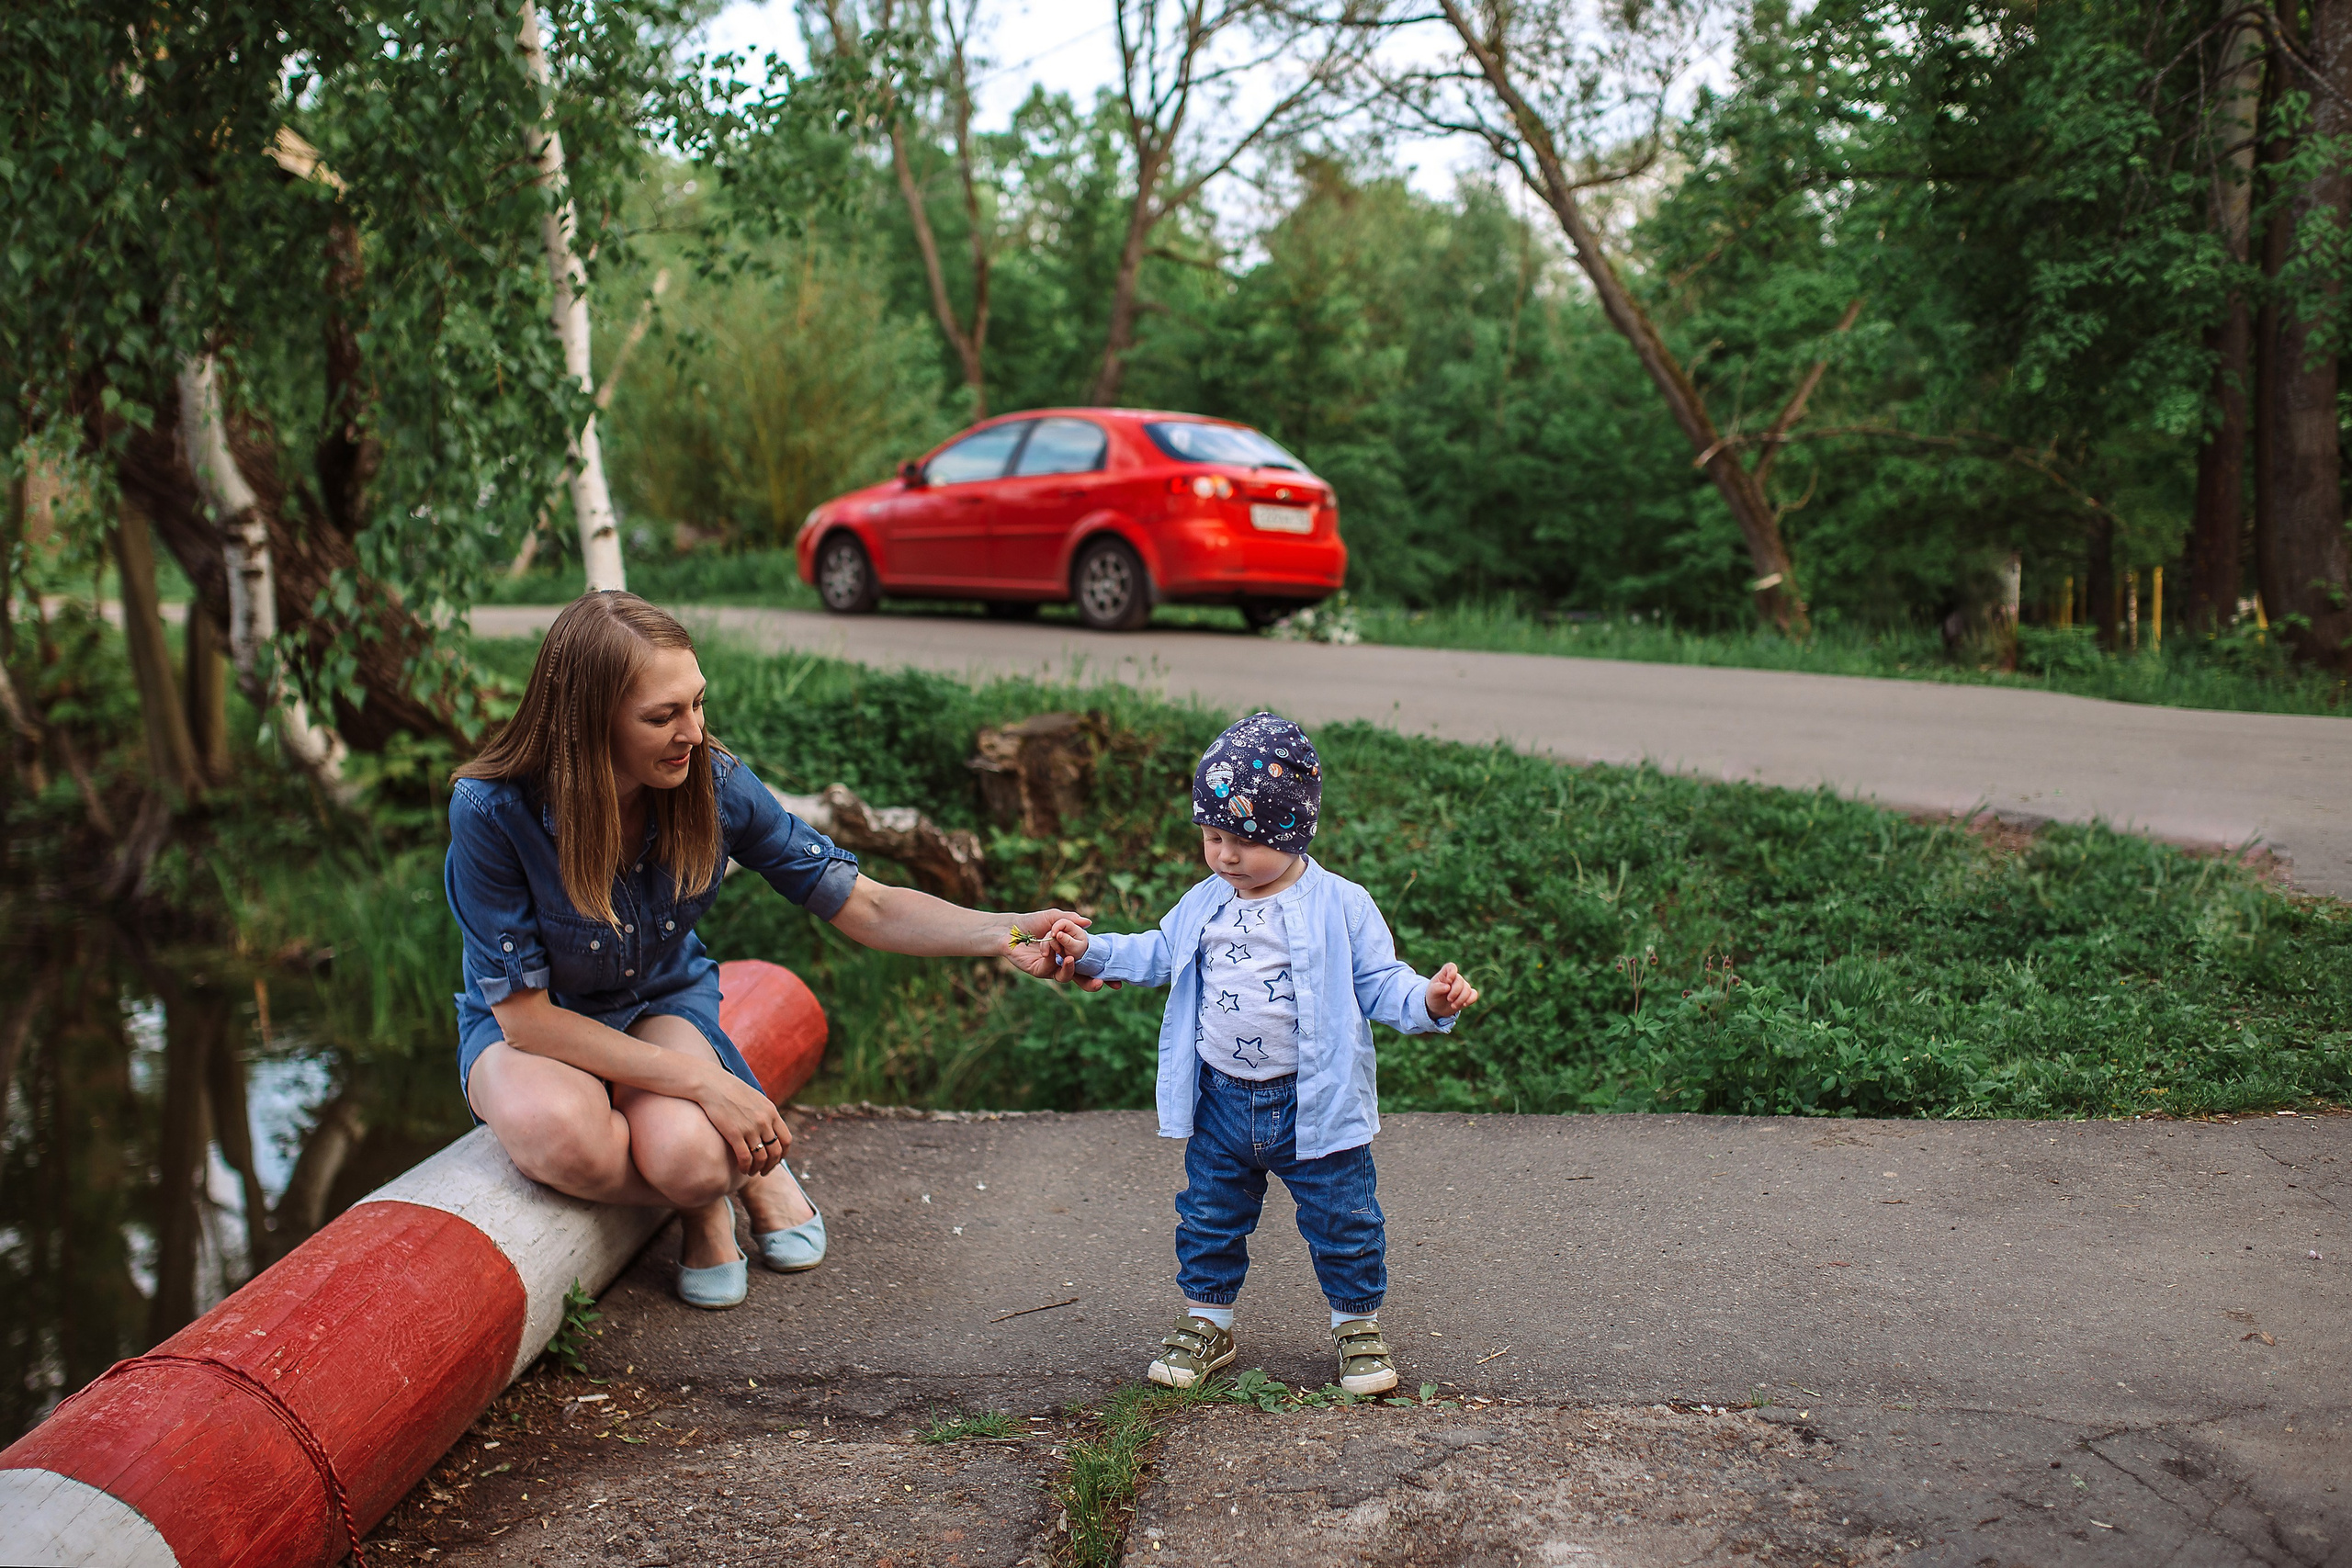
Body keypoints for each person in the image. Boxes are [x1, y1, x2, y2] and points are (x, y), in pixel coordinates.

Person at [444, 592, 1080, 1309]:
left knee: (688, 1154)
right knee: (560, 1135)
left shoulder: (713, 782)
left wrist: (1009, 932)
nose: (693, 732)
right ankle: (731, 1187)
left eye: (697, 703)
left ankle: (705, 1182)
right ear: (590, 723)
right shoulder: (492, 811)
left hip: (657, 1002)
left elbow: (861, 901)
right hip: (535, 1032)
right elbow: (526, 1019)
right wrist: (709, 1085)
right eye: (662, 716)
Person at [1039, 712, 1477, 1395]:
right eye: (1212, 837)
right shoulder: (1206, 901)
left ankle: (1356, 1323)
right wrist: (1090, 949)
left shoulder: (1342, 903)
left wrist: (1430, 1001)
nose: (1224, 856)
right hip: (1221, 1097)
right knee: (1210, 1215)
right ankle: (1207, 1321)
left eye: (1242, 840)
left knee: (1345, 1218)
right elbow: (1158, 951)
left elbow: (1380, 982)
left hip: (1314, 1102)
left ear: (1292, 831)